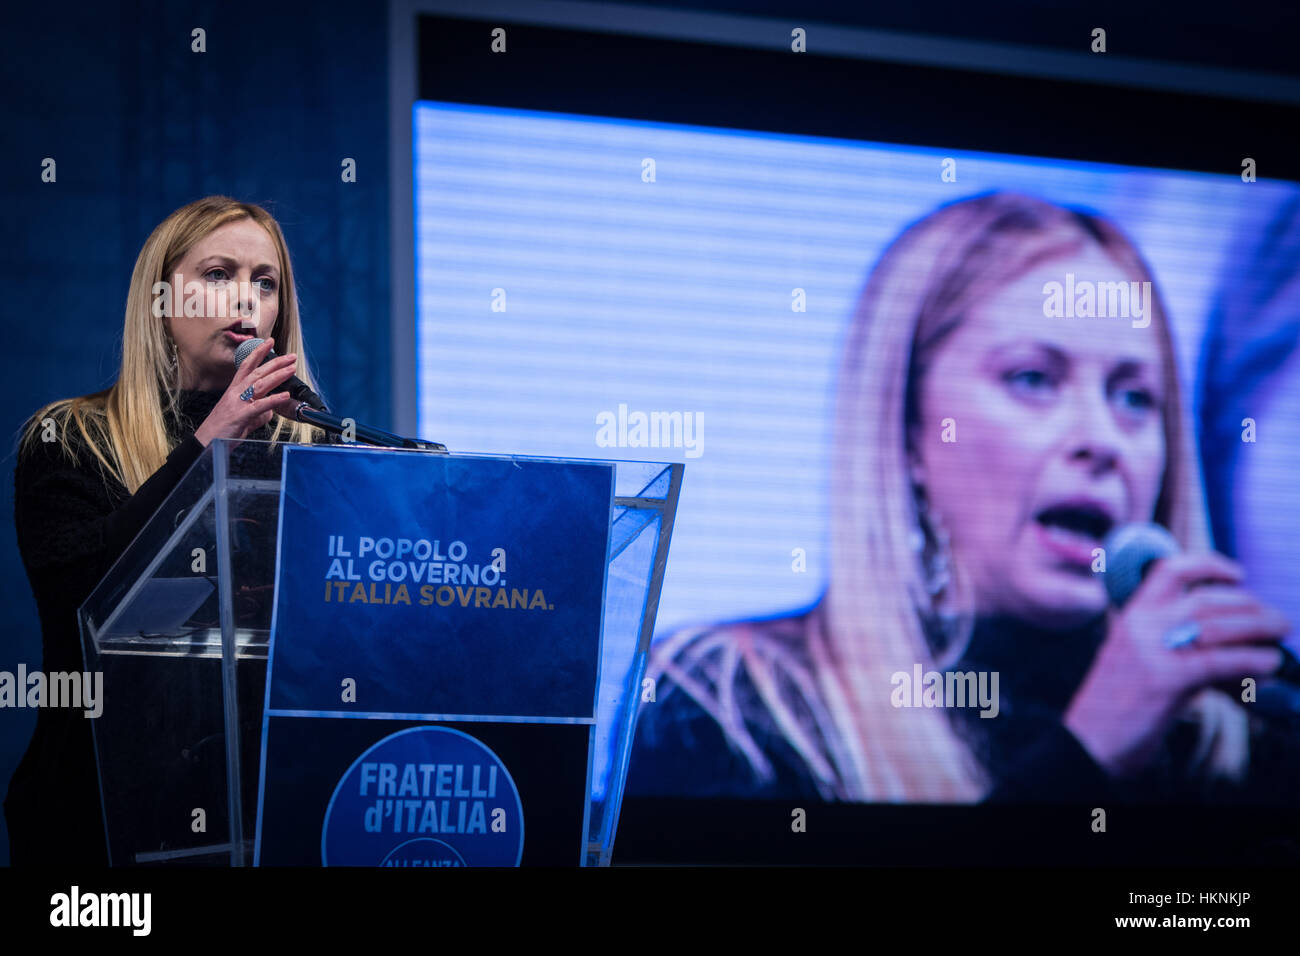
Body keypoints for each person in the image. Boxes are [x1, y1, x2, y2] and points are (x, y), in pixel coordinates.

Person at [627, 191, 1295, 807]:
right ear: (910, 430)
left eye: (1134, 398)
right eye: (1034, 379)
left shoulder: (1235, 737)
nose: (1102, 439)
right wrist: (1088, 752)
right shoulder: (731, 703)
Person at [5, 196, 332, 865]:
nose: (246, 297)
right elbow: (81, 600)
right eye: (218, 274)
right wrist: (207, 446)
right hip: (99, 820)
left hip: (270, 813)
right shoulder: (71, 438)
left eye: (264, 283)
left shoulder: (315, 458)